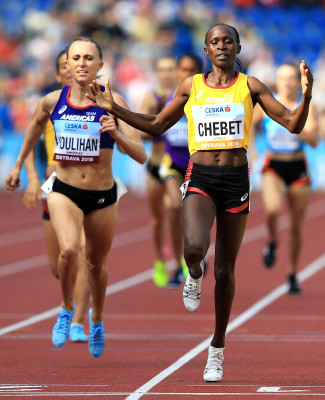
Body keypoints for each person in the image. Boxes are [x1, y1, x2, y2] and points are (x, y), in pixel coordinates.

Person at [85, 23, 313, 381]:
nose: (221, 46)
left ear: (238, 47)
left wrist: (307, 95)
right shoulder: (192, 86)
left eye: (227, 41)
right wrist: (112, 107)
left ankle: (216, 349)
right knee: (194, 248)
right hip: (202, 178)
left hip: (236, 181)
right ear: (206, 51)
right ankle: (193, 273)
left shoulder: (250, 86)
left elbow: (293, 124)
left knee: (225, 271)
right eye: (214, 42)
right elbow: (157, 125)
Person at [6, 36, 147, 358]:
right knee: (69, 251)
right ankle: (66, 308)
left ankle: (96, 319)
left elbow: (140, 154)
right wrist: (18, 166)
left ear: (100, 65)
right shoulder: (52, 101)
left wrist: (115, 133)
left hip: (102, 196)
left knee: (96, 263)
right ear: (67, 65)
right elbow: (33, 129)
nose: (82, 63)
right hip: (63, 189)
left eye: (88, 58)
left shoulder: (114, 100)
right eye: (76, 57)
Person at [23, 49, 91, 342]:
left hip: (90, 185)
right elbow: (28, 141)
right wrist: (32, 179)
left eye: (80, 60)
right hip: (55, 185)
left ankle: (77, 320)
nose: (74, 67)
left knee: (86, 254)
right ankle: (72, 301)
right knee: (61, 262)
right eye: (68, 63)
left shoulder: (98, 100)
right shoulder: (50, 103)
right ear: (59, 72)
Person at [249, 62, 318, 294]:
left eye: (291, 78)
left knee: (297, 227)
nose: (287, 82)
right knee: (272, 210)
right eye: (282, 78)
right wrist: (254, 150)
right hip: (274, 166)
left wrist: (295, 125)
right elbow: (249, 123)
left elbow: (315, 140)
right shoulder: (269, 104)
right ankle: (272, 240)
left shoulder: (305, 105)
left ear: (298, 82)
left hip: (298, 167)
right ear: (276, 82)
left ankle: (292, 273)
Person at [159, 53, 204, 288]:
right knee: (173, 207)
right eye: (183, 69)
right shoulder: (167, 97)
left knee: (196, 216)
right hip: (173, 163)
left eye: (192, 70)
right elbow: (155, 125)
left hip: (198, 165)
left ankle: (194, 257)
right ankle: (176, 265)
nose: (187, 74)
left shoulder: (206, 99)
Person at [138, 56, 178, 288]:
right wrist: (153, 115)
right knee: (157, 219)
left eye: (169, 68)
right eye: (161, 69)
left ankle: (180, 261)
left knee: (175, 211)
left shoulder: (182, 94)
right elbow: (141, 133)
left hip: (175, 165)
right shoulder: (150, 98)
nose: (165, 73)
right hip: (155, 166)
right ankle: (160, 260)